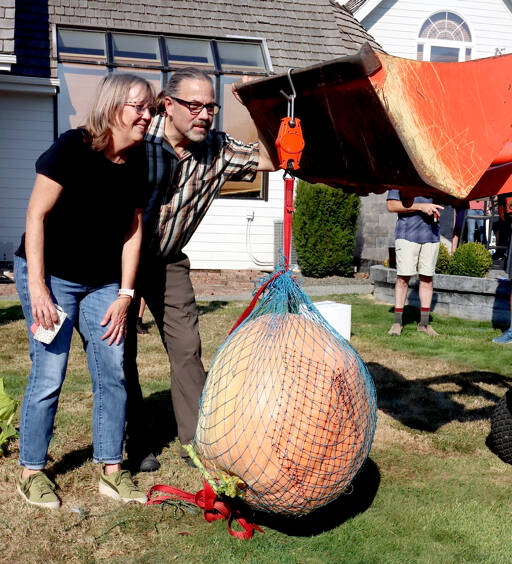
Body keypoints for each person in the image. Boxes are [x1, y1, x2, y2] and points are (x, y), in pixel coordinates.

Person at [124, 67, 278, 472]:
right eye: (194, 106)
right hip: (121, 258)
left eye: (211, 106)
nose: (204, 115)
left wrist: (262, 106)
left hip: (168, 260)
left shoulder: (218, 149)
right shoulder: (137, 141)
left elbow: (268, 158)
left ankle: (196, 440)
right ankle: (136, 441)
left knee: (187, 349)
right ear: (168, 105)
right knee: (120, 352)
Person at [14, 73, 155, 508]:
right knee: (49, 373)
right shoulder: (71, 148)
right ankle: (31, 471)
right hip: (49, 275)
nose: (148, 116)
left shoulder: (139, 159)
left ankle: (112, 471)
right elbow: (35, 216)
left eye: (150, 108)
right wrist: (38, 288)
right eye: (140, 107)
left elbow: (133, 231)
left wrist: (126, 294)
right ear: (114, 107)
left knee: (112, 368)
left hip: (102, 283)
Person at [386, 190, 444, 337]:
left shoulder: (435, 179)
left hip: (432, 235)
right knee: (403, 279)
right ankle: (398, 322)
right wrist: (420, 206)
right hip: (407, 235)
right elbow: (391, 205)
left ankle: (424, 324)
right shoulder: (400, 177)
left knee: (427, 280)